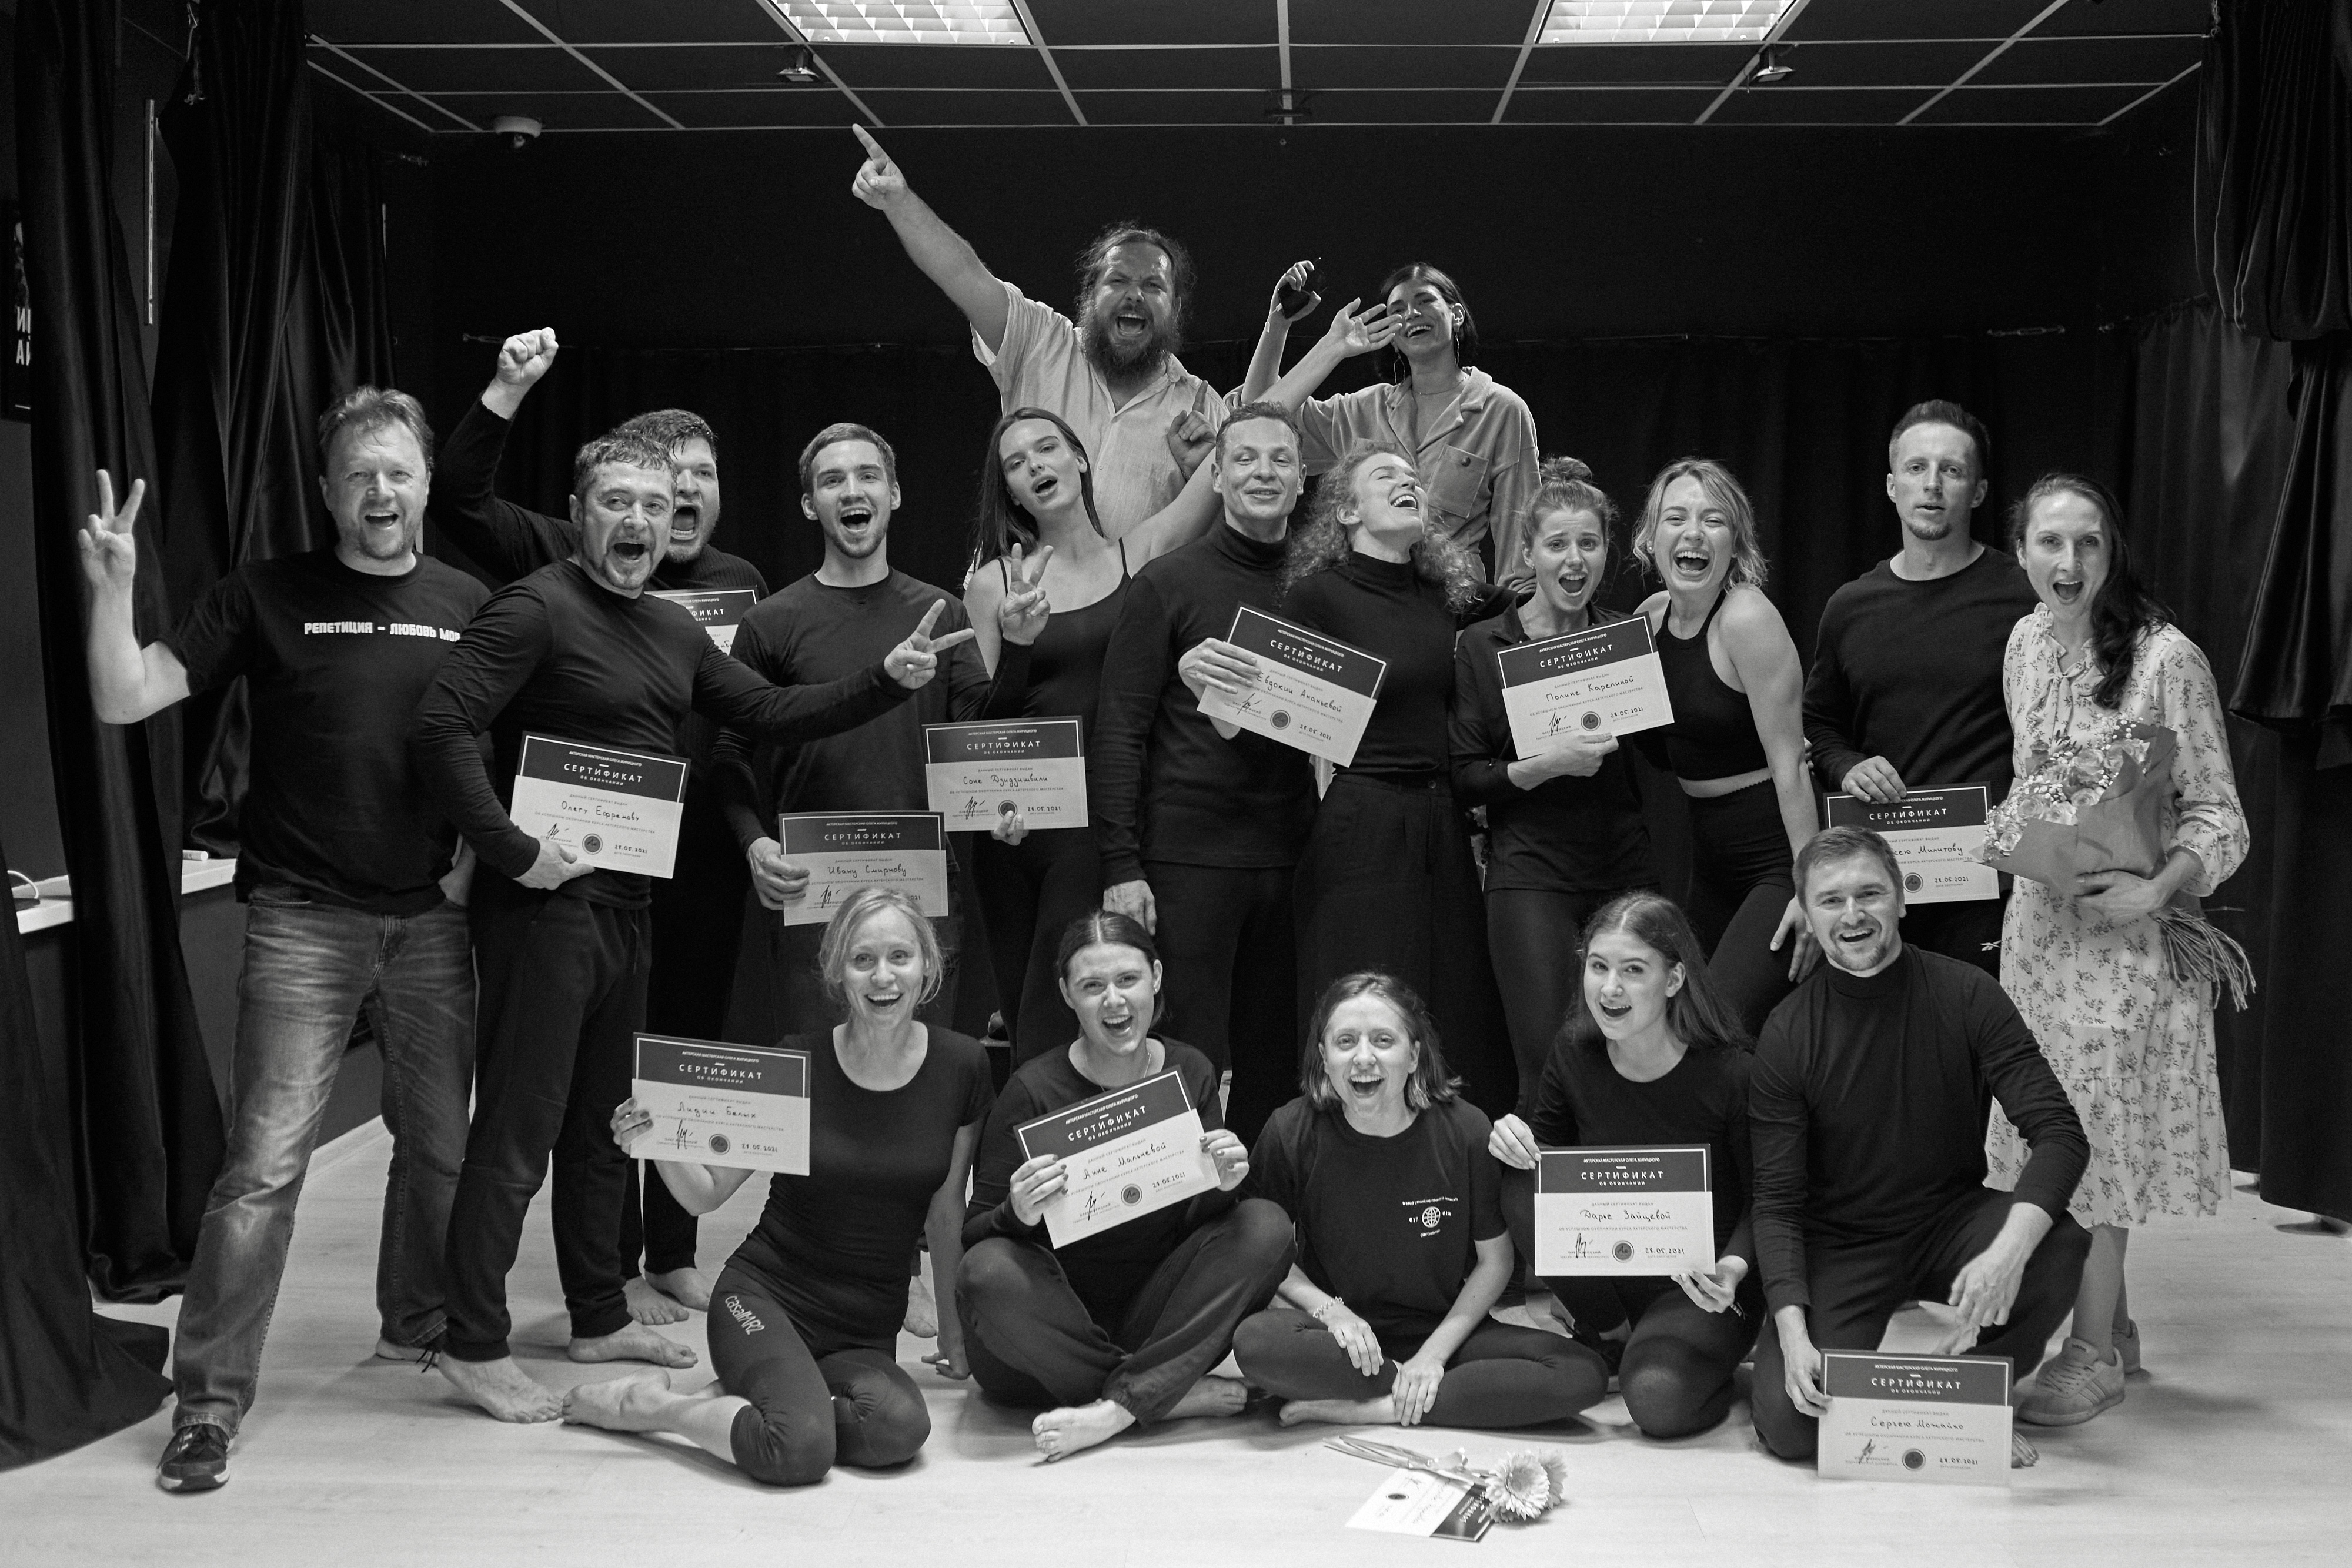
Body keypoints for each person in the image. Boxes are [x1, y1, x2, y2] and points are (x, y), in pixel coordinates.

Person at [409, 430, 967, 1423]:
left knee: (603, 1124)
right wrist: (510, 848)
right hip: (543, 908)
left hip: (629, 903)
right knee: (519, 1129)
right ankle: (472, 1339)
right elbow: (441, 725)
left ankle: (596, 1311)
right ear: (578, 513)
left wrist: (888, 679)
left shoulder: (671, 630)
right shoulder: (535, 605)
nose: (637, 520)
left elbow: (774, 711)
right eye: (615, 501)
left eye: (655, 506)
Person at [79, 392, 484, 1494]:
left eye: (397, 472)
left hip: (431, 923)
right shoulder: (265, 593)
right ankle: (208, 1406)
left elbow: (500, 751)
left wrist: (467, 869)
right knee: (261, 1171)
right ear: (326, 490)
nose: (379, 492)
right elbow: (125, 695)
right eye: (358, 474)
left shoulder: (469, 603)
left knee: (443, 1147)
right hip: (303, 921)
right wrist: (113, 589)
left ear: (426, 484)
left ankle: (417, 1320)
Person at [429, 329, 763, 1322]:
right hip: (565, 875)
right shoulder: (555, 570)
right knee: (553, 1101)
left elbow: (759, 708)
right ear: (588, 507)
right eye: (651, 483)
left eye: (694, 480)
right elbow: (460, 501)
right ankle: (590, 1281)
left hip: (687, 863)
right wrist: (505, 391)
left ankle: (665, 1255)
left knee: (657, 1070)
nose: (672, 499)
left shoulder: (741, 585)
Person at [1986, 474, 2248, 1426]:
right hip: (2038, 938)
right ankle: (2118, 1326)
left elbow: (2220, 816)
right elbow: (2040, 787)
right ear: (2020, 551)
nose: (2068, 562)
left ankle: (2089, 1352)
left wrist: (2158, 886)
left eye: (2088, 542)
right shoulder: (2023, 643)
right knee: (2055, 1134)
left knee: (2098, 1141)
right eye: (2049, 542)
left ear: (2113, 550)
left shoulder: (2167, 658)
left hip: (2127, 940)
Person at [571, 890, 991, 1485]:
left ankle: (765, 1393)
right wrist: (658, 1138)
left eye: (900, 956)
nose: (882, 976)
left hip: (864, 1328)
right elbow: (705, 1195)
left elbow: (945, 1213)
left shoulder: (963, 1065)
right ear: (836, 971)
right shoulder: (796, 1064)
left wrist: (953, 1329)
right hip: (765, 1297)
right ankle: (649, 1406)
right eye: (862, 959)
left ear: (928, 964)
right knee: (798, 1450)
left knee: (898, 1429)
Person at [1749, 827, 2092, 1467]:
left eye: (1869, 893)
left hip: (1948, 1221)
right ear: (1808, 917)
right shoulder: (1787, 1033)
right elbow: (1775, 1201)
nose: (1852, 914)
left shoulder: (1968, 992)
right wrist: (1793, 1333)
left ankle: (1977, 1391)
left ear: (1902, 898)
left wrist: (2007, 1254)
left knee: (2058, 1240)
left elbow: (2059, 1133)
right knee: (1795, 1431)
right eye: (1830, 900)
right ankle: (1853, 1372)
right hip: (1841, 1243)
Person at [712, 422, 1045, 1052]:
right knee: (821, 1073)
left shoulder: (941, 614)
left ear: (893, 495)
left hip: (922, 882)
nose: (851, 490)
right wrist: (753, 844)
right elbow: (729, 753)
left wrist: (1019, 648)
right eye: (831, 480)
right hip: (811, 885)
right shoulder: (769, 623)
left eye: (867, 476)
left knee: (923, 1069)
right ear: (809, 504)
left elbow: (980, 736)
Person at [957, 911, 1293, 1460]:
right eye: (1092, 985)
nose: (1113, 1000)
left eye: (1128, 979)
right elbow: (975, 1235)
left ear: (1155, 978)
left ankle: (1119, 1407)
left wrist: (1223, 1183)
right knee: (986, 1271)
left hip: (1154, 1320)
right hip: (1046, 1341)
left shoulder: (1190, 1070)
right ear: (1067, 994)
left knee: (1265, 1224)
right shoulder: (1032, 1090)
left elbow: (1199, 1219)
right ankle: (1157, 1395)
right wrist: (1017, 1211)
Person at [1232, 973, 1608, 1429]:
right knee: (1255, 1343)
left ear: (1413, 1055)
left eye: (1383, 1040)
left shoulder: (1465, 1129)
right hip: (1341, 1338)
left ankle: (1377, 1407)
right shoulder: (1290, 1130)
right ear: (1324, 1057)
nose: (1364, 1057)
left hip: (1442, 1328)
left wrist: (1432, 1356)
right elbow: (1266, 1255)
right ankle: (1409, 1389)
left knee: (1581, 1372)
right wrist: (1332, 1312)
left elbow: (1495, 1261)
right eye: (1346, 1041)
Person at [1088, 403, 1317, 1145]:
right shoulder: (1168, 582)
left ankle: (1260, 1204)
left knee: (1277, 1061)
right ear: (1215, 475)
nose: (1263, 473)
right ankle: (1180, 1210)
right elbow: (1118, 732)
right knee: (1185, 1060)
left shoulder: (1321, 586)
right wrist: (1121, 865)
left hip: (1293, 858)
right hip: (1187, 859)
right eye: (1244, 458)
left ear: (1302, 478)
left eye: (1280, 460)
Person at [961, 407, 1220, 1064]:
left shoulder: (1141, 554)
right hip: (1022, 829)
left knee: (1116, 1011)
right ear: (1010, 491)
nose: (1035, 466)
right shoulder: (993, 583)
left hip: (1113, 818)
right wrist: (1019, 645)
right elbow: (983, 732)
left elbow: (1237, 449)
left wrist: (1319, 354)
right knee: (1037, 1023)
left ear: (1080, 458)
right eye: (1016, 463)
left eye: (1046, 449)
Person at [1280, 443, 1518, 1111]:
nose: (1408, 482)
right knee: (1362, 999)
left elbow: (1534, 610)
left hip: (1442, 824)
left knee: (1454, 1008)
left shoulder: (1446, 594)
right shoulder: (1316, 598)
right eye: (1387, 476)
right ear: (1347, 511)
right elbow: (1279, 712)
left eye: (1414, 477)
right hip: (1362, 822)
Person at [848, 126, 1225, 539]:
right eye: (1118, 281)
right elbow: (962, 273)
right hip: (1016, 577)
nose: (1134, 295)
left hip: (1139, 586)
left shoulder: (1204, 409)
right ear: (1090, 296)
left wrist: (1206, 481)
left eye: (1153, 286)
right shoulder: (1040, 342)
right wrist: (900, 202)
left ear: (1176, 308)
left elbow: (1228, 543)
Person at [1488, 893, 1760, 1440]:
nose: (1609, 988)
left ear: (1675, 979)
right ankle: (1612, 1334)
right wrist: (1510, 1138)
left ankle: (1696, 1358)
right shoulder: (1573, 1051)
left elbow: (1766, 1199)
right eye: (1598, 966)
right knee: (1521, 1177)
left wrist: (1731, 1269)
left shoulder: (1732, 1072)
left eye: (1633, 970)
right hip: (1607, 1277)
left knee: (1658, 1400)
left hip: (1702, 1284)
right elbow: (1546, 1162)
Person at [1802, 401, 2039, 978]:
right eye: (1916, 468)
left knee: (1981, 1031)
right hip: (1881, 883)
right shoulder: (1850, 607)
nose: (1932, 485)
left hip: (1992, 884)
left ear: (1978, 492)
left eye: (1951, 470)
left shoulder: (2025, 597)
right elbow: (1819, 726)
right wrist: (1847, 767)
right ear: (1891, 486)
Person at [1452, 460, 1659, 1111]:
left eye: (1589, 543)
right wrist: (1547, 763)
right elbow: (1465, 777)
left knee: (1633, 1056)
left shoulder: (1625, 640)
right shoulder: (1482, 645)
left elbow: (1668, 754)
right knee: (1546, 1067)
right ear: (1528, 553)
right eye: (1558, 544)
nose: (1575, 560)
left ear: (1606, 552)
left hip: (1624, 872)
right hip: (1530, 877)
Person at [1635, 459, 1818, 1036]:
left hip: (1774, 854)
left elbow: (1791, 764)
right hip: (1707, 855)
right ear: (1651, 537)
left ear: (1735, 542)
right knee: (1684, 1023)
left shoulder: (1746, 617)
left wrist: (1810, 884)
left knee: (1718, 1027)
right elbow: (1654, 747)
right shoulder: (1647, 621)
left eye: (1712, 520)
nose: (1692, 533)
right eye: (1676, 518)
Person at [1241, 260, 1539, 584]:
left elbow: (1520, 537)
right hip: (1367, 597)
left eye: (1425, 301)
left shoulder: (1502, 409)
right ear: (1392, 337)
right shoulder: (1365, 409)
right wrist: (1279, 326)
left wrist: (1520, 611)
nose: (1412, 314)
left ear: (1457, 315)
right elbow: (1260, 417)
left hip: (1456, 602)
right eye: (1398, 310)